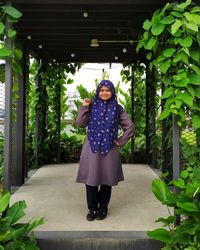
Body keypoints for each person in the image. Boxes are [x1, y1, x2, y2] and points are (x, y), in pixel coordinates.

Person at [76, 79, 134, 221]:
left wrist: (120, 141)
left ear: (112, 92)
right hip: (92, 149)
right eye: (102, 90)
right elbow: (80, 124)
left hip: (110, 149)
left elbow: (130, 126)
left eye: (107, 90)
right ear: (98, 91)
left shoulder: (118, 108)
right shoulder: (91, 106)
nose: (104, 93)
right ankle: (91, 209)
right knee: (91, 180)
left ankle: (103, 208)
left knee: (106, 181)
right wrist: (84, 107)